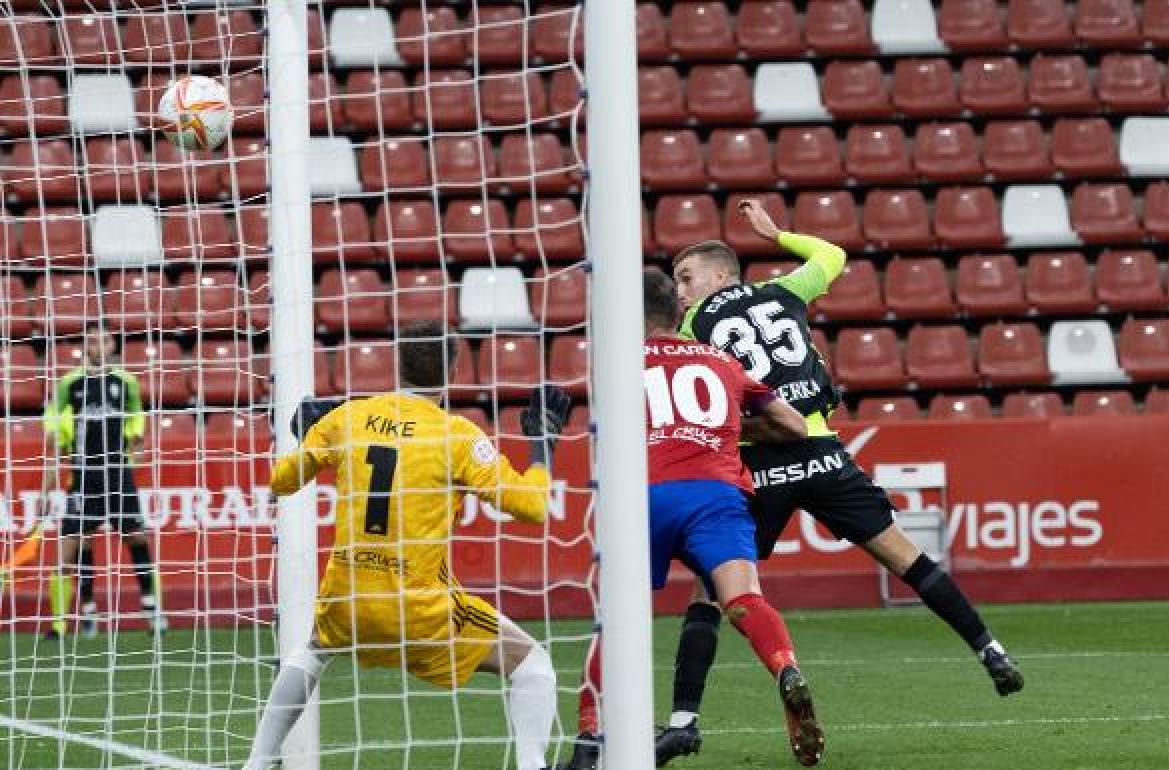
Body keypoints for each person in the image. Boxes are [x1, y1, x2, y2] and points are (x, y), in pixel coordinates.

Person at [654, 201, 1025, 765]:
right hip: (825, 453)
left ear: (721, 275)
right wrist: (777, 233)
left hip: (759, 463)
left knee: (715, 592)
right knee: (908, 558)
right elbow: (833, 254)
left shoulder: (688, 327)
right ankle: (990, 650)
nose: (680, 289)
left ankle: (683, 721)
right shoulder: (784, 291)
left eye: (687, 277)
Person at [243, 321, 569, 770]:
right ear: (454, 369)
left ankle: (258, 762)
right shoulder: (457, 435)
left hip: (349, 598)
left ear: (397, 363)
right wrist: (543, 447)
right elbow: (532, 507)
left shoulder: (348, 417)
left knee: (312, 651)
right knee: (534, 666)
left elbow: (280, 481)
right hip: (420, 610)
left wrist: (306, 437)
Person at [558, 269, 823, 770]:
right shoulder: (721, 359)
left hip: (645, 497)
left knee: (615, 619)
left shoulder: (617, 363)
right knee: (743, 598)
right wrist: (724, 426)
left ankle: (588, 744)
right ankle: (786, 667)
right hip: (716, 492)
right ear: (679, 314)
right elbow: (791, 425)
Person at [43, 320, 163, 639]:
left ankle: (153, 610)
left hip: (118, 473)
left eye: (104, 340)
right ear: (85, 346)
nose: (98, 346)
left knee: (137, 537)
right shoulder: (70, 384)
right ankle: (68, 620)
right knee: (72, 547)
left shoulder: (126, 383)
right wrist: (47, 487)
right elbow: (54, 432)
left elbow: (138, 416)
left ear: (113, 346)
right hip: (83, 476)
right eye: (92, 341)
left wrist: (136, 440)